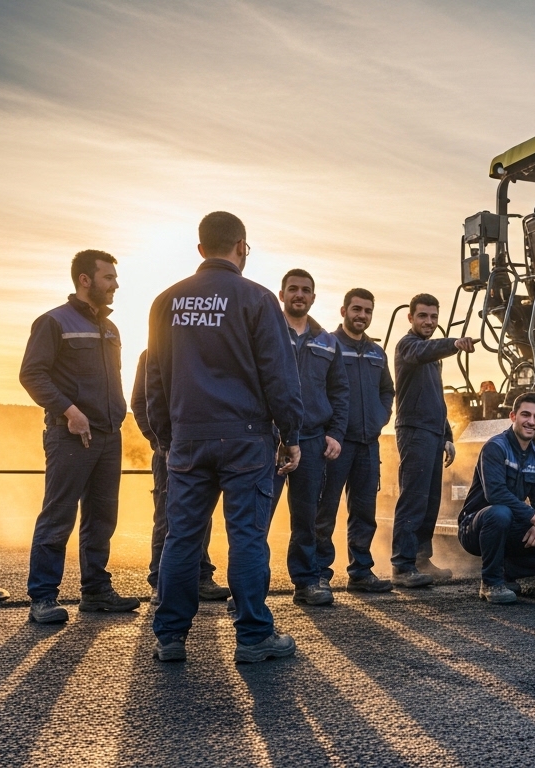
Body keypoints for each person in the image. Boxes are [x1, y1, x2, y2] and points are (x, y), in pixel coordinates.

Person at [146, 211, 303, 664]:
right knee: (248, 537)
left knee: (182, 538)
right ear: (242, 247)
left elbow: (155, 377)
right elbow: (279, 374)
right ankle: (253, 637)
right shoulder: (255, 299)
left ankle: (171, 636)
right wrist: (290, 434)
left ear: (200, 249)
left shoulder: (165, 301)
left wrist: (167, 437)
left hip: (189, 438)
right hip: (246, 438)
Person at [19, 249, 140, 624]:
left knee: (102, 517)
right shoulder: (53, 322)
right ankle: (43, 598)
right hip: (70, 436)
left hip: (108, 435)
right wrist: (69, 411)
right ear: (85, 280)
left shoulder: (111, 328)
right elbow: (31, 374)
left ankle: (96, 592)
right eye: (108, 277)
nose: (115, 284)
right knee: (58, 516)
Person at [270, 269, 349, 607]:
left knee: (307, 517)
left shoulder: (327, 342)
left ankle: (306, 583)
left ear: (314, 298)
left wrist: (335, 434)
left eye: (305, 290)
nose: (299, 295)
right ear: (282, 294)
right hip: (269, 440)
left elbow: (341, 393)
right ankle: (249, 588)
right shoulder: (268, 332)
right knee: (258, 515)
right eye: (293, 289)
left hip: (314, 439)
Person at [130, 349, 228, 605]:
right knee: (166, 515)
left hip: (203, 446)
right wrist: (160, 442)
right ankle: (160, 581)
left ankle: (201, 577)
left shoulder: (203, 349)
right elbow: (140, 403)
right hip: (169, 449)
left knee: (203, 515)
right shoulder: (152, 354)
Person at [392, 293, 476, 587]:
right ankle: (402, 566)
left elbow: (435, 398)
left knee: (429, 501)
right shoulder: (408, 346)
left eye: (433, 317)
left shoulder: (432, 358)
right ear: (411, 318)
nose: (429, 322)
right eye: (423, 316)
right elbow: (422, 351)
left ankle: (420, 558)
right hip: (413, 430)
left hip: (432, 432)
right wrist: (454, 343)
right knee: (413, 499)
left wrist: (448, 435)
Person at [317, 287, 396, 593]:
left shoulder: (377, 353)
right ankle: (319, 574)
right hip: (334, 444)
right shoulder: (328, 345)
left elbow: (387, 390)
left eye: (367, 311)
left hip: (367, 444)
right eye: (356, 309)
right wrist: (327, 427)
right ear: (344, 311)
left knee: (364, 512)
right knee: (325, 510)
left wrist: (379, 417)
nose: (362, 315)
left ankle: (361, 572)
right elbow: (317, 387)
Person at [457, 393, 535, 604]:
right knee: (500, 511)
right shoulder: (495, 447)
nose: (531, 422)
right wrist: (534, 517)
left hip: (510, 525)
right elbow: (495, 494)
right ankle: (491, 583)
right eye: (526, 415)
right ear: (512, 416)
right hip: (475, 526)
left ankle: (504, 571)